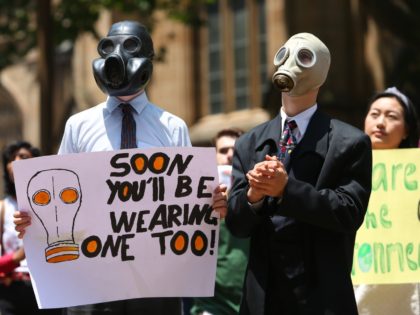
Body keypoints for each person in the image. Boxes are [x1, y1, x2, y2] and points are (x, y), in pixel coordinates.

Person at [13, 20, 227, 315]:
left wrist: (212, 202)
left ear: (147, 62)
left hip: (155, 281)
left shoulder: (173, 128)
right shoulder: (78, 126)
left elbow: (188, 203)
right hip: (92, 278)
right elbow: (57, 191)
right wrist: (31, 219)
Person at [225, 32, 372, 315]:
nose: (290, 62)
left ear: (321, 73)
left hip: (321, 297)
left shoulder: (349, 142)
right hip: (263, 299)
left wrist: (286, 189)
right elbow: (237, 225)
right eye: (285, 54)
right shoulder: (249, 142)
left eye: (305, 57)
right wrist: (253, 196)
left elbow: (349, 212)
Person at [355, 86, 420, 315]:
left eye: (391, 116)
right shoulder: (343, 170)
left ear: (406, 131)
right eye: (374, 114)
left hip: (408, 290)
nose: (380, 123)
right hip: (358, 284)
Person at [191, 128, 249, 315]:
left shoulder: (260, 195)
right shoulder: (192, 196)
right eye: (223, 151)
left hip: (252, 299)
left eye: (237, 150)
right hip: (212, 304)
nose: (230, 155)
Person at [0, 141, 62, 315]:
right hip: (12, 291)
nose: (17, 161)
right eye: (12, 159)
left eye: (24, 157)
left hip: (47, 288)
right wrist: (16, 258)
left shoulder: (55, 205)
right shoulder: (3, 208)